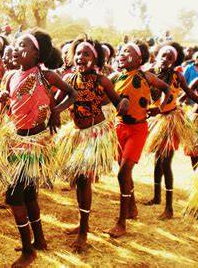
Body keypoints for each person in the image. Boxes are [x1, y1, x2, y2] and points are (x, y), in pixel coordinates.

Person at [0, 29, 76, 266]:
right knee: (29, 193)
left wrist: (56, 111)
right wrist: (2, 96)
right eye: (16, 44)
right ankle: (39, 240)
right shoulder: (10, 75)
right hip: (16, 142)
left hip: (35, 143)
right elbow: (10, 104)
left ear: (36, 54)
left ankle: (28, 250)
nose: (17, 49)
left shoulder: (46, 76)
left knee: (14, 196)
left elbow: (72, 93)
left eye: (24, 46)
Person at [55, 35, 129, 252]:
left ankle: (84, 232)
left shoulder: (102, 81)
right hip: (77, 135)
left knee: (84, 180)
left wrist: (123, 103)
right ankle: (81, 222)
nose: (81, 57)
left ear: (96, 59)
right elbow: (56, 102)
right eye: (78, 53)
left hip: (95, 136)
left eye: (86, 53)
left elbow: (118, 102)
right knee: (79, 181)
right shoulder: (68, 79)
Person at [107, 40, 170, 238]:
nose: (123, 53)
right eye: (121, 51)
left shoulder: (145, 76)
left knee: (123, 173)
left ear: (139, 59)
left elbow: (167, 89)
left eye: (128, 51)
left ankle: (121, 222)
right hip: (119, 128)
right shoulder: (114, 77)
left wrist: (159, 107)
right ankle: (132, 207)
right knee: (124, 172)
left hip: (138, 130)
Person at [144, 42, 198, 220]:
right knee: (157, 161)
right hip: (156, 120)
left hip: (172, 120)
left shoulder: (177, 76)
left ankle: (169, 207)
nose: (165, 59)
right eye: (163, 55)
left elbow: (190, 93)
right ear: (157, 55)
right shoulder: (149, 72)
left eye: (170, 57)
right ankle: (157, 196)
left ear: (175, 61)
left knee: (166, 162)